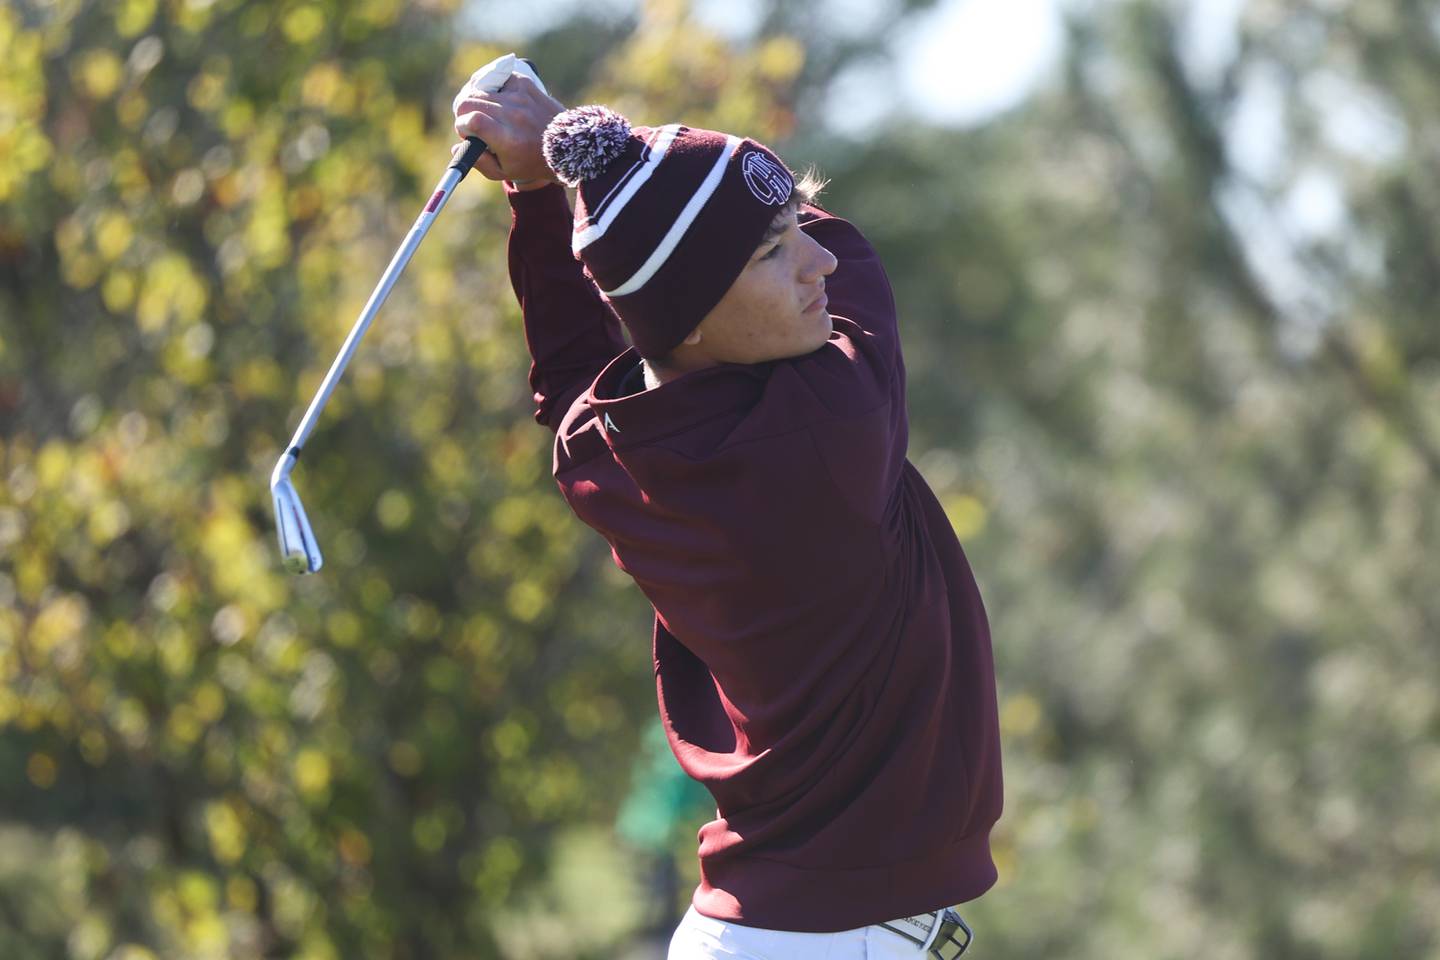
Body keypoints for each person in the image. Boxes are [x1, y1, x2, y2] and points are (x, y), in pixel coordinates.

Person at [452, 70, 1003, 959]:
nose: (816, 263)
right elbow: (853, 262)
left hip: (770, 933)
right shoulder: (837, 423)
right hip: (826, 943)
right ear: (690, 318)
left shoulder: (614, 453)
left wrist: (556, 181)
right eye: (772, 253)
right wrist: (570, 154)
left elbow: (572, 379)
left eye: (796, 230)